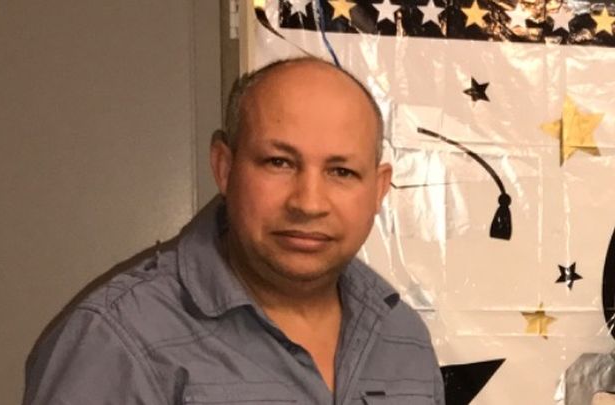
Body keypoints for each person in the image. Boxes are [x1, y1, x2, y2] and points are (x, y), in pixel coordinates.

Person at [23, 57, 445, 404]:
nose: (309, 203)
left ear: (379, 189)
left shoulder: (402, 336)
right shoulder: (118, 340)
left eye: (341, 171)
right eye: (279, 162)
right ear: (224, 168)